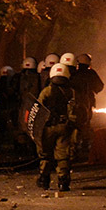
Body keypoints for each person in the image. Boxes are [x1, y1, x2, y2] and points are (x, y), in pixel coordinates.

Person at [36, 63, 76, 192]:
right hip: (64, 127)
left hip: (47, 128)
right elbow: (74, 111)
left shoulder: (47, 91)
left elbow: (38, 108)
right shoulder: (71, 92)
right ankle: (63, 181)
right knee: (62, 154)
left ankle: (44, 180)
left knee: (45, 154)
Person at [70, 53, 104, 157]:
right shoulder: (91, 74)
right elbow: (100, 86)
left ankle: (74, 146)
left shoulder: (73, 74)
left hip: (75, 103)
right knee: (86, 124)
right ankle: (85, 145)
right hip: (87, 103)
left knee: (74, 123)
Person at [11, 57, 41, 154]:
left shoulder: (18, 77)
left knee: (21, 126)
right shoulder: (37, 77)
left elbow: (13, 92)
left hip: (22, 105)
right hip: (34, 106)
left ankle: (20, 147)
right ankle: (31, 147)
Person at [0, 66, 17, 152]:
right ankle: (16, 147)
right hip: (9, 111)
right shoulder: (12, 86)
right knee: (13, 131)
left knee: (0, 131)